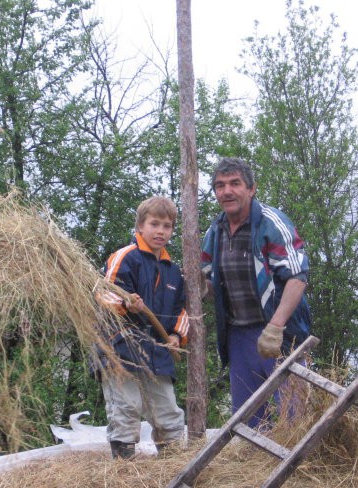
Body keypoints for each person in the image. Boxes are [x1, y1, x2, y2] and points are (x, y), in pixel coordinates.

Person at [201, 157, 311, 428]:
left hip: (280, 333)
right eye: (220, 186)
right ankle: (256, 468)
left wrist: (276, 327)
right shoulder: (214, 232)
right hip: (238, 335)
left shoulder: (270, 223)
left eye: (235, 184)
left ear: (251, 189)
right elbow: (208, 284)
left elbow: (297, 277)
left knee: (294, 418)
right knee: (248, 421)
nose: (226, 191)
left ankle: (299, 468)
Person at [96, 196, 190, 459]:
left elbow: (182, 311)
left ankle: (173, 471)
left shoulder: (174, 272)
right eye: (154, 224)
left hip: (158, 351)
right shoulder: (125, 257)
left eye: (167, 226)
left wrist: (176, 335)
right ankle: (124, 473)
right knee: (126, 408)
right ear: (140, 226)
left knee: (169, 412)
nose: (161, 231)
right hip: (121, 348)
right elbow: (103, 293)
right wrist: (126, 302)